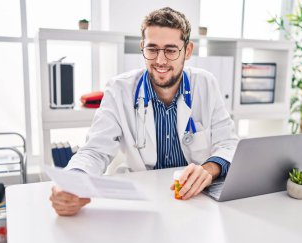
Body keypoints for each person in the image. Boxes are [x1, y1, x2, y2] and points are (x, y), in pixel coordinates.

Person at [50, 7, 239, 216]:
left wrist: (208, 169)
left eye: (170, 50)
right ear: (142, 47)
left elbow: (229, 143)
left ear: (188, 50)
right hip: (143, 201)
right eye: (152, 49)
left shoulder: (205, 83)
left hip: (193, 199)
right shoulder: (119, 89)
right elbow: (95, 150)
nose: (160, 60)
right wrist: (73, 181)